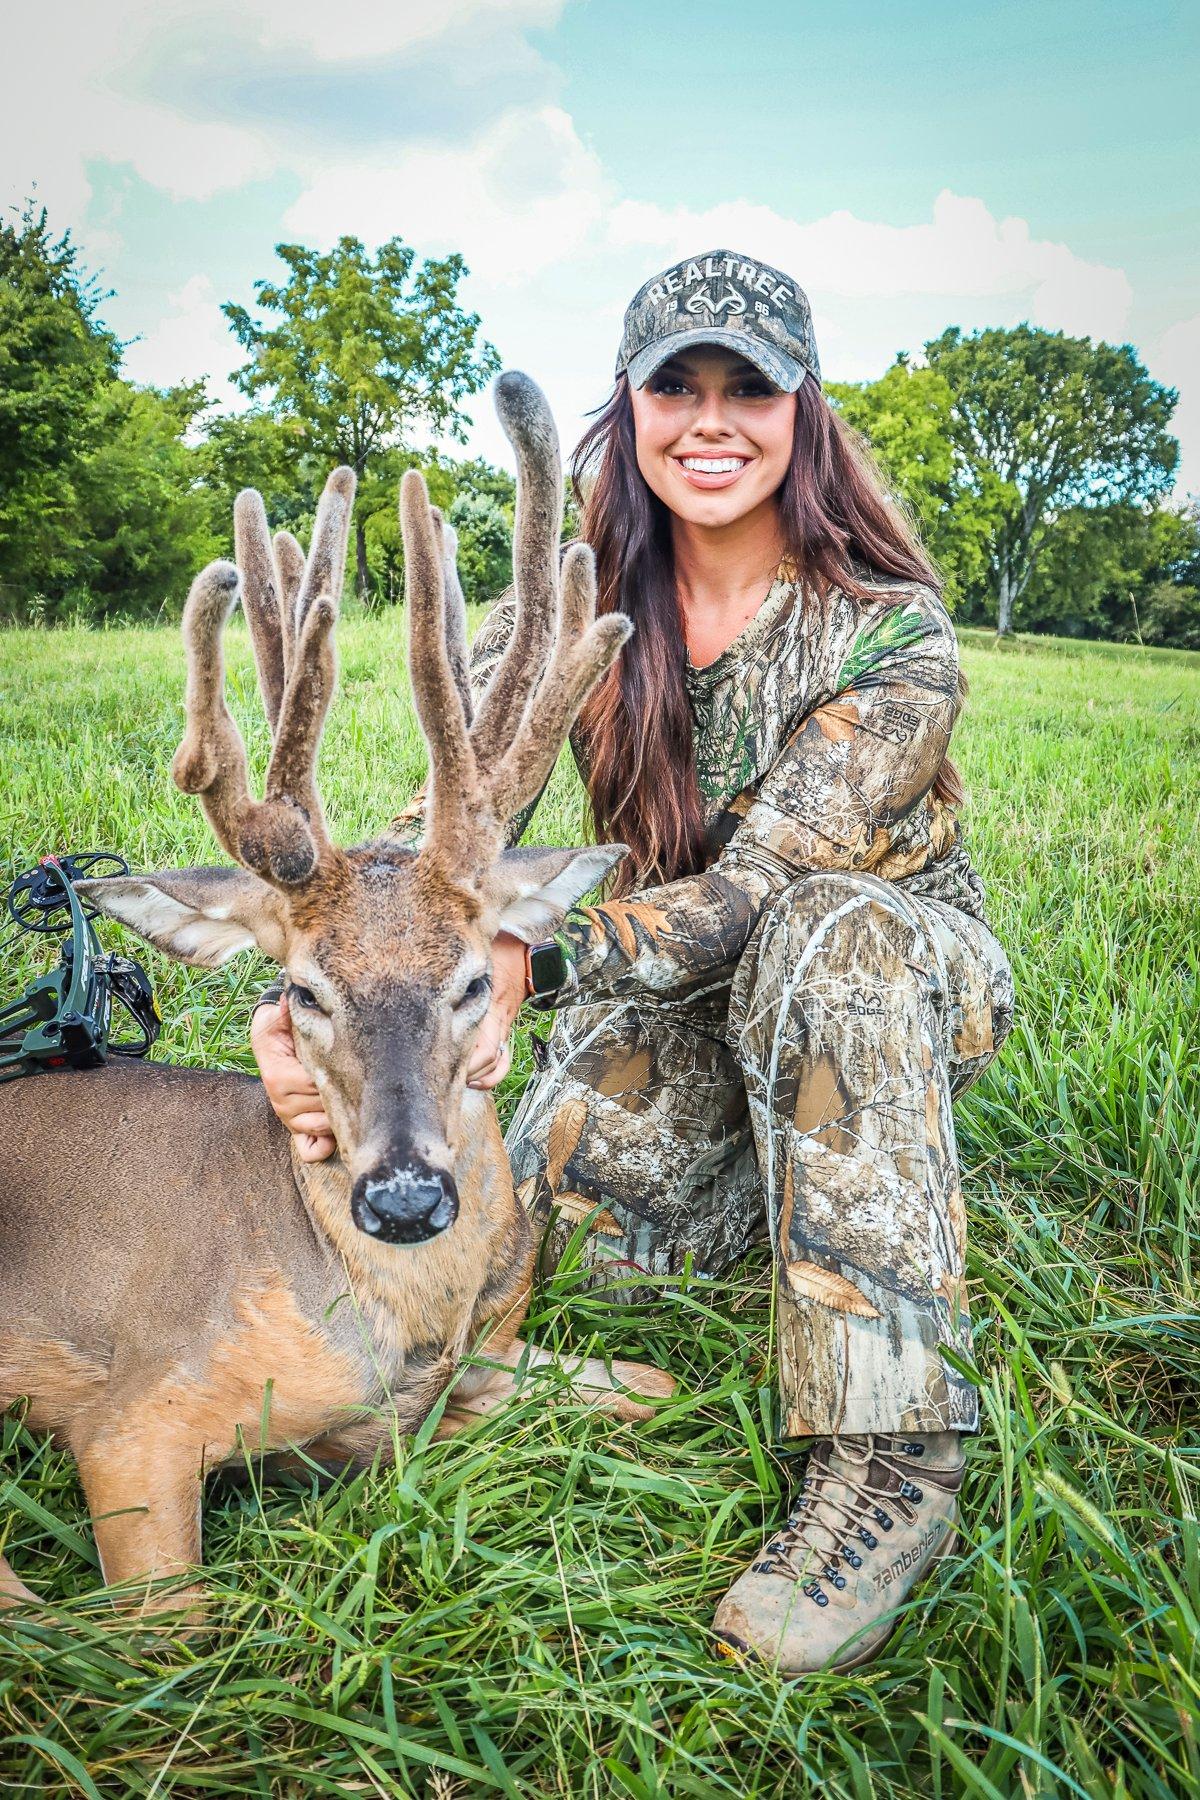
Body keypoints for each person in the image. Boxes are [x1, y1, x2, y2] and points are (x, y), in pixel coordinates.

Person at [251, 248, 1015, 1676]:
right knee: (553, 1235)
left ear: (804, 418)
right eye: (679, 385)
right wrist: (319, 974)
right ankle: (803, 1193)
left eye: (750, 390)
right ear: (631, 406)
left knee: (821, 933)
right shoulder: (563, 626)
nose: (711, 420)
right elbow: (431, 853)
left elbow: (757, 891)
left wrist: (530, 938)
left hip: (878, 981)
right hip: (676, 1018)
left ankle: (888, 1456)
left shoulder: (891, 634)